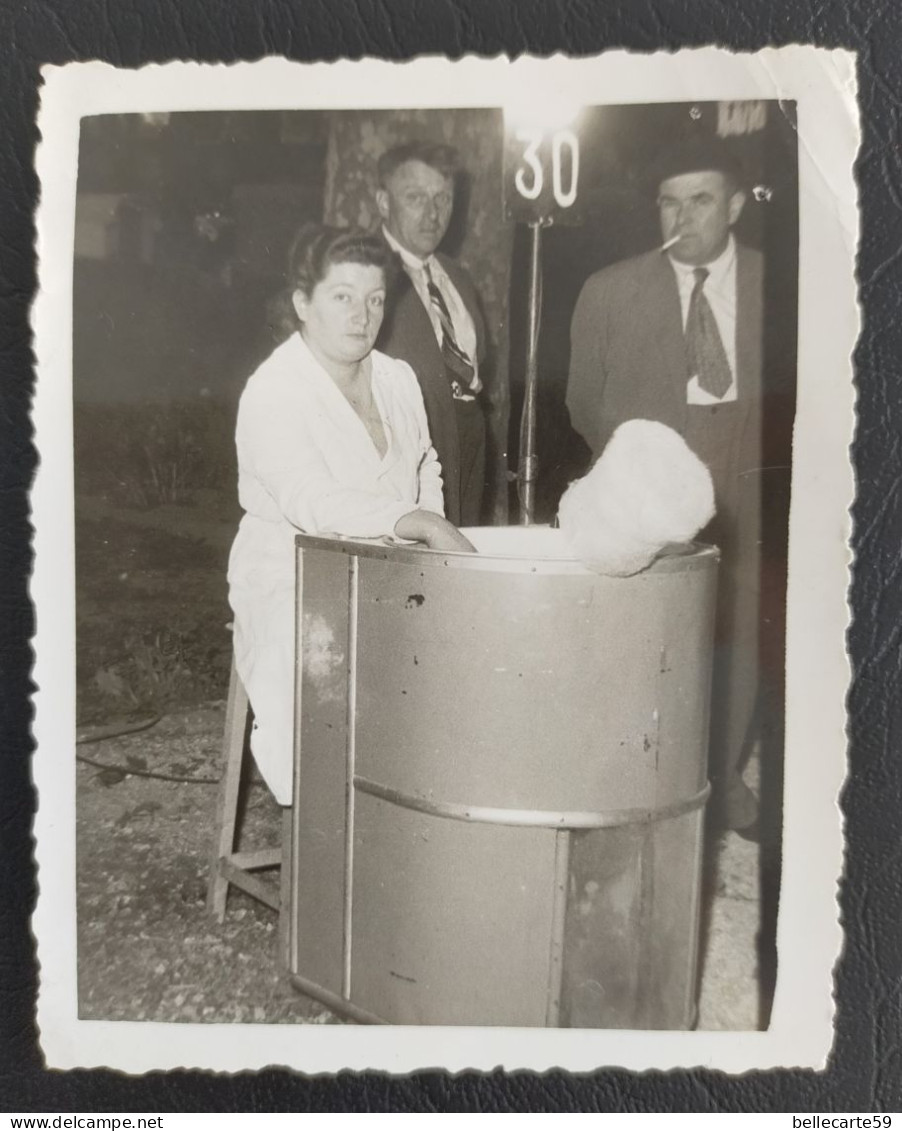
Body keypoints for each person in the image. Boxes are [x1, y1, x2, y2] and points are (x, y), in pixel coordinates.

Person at [228, 223, 474, 805]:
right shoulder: (274, 389)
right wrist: (415, 523)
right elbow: (307, 499)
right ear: (301, 305)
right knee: (321, 701)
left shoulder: (397, 377)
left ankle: (415, 829)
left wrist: (427, 535)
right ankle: (325, 846)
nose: (361, 315)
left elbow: (426, 464)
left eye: (375, 299)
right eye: (342, 297)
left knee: (462, 674)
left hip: (394, 572)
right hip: (295, 580)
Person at [566, 136, 764, 835]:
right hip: (650, 486)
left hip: (747, 474)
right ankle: (636, 781)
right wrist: (639, 478)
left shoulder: (779, 285)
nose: (683, 216)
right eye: (669, 202)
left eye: (702, 199)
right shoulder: (610, 290)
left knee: (738, 631)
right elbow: (582, 401)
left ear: (735, 206)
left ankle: (725, 778)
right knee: (645, 633)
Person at [374, 141, 488, 526]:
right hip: (407, 456)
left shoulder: (455, 276)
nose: (432, 213)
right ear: (384, 202)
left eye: (443, 198)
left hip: (466, 446)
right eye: (415, 197)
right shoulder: (367, 274)